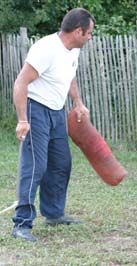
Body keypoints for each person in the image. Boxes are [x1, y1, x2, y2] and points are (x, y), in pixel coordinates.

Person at [11, 8, 95, 242]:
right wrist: (22, 119)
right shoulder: (45, 49)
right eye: (89, 33)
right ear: (78, 31)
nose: (90, 37)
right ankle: (21, 223)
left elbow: (69, 77)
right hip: (35, 109)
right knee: (35, 165)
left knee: (61, 163)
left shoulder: (72, 50)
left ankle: (53, 213)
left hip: (56, 112)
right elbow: (20, 83)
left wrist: (77, 102)